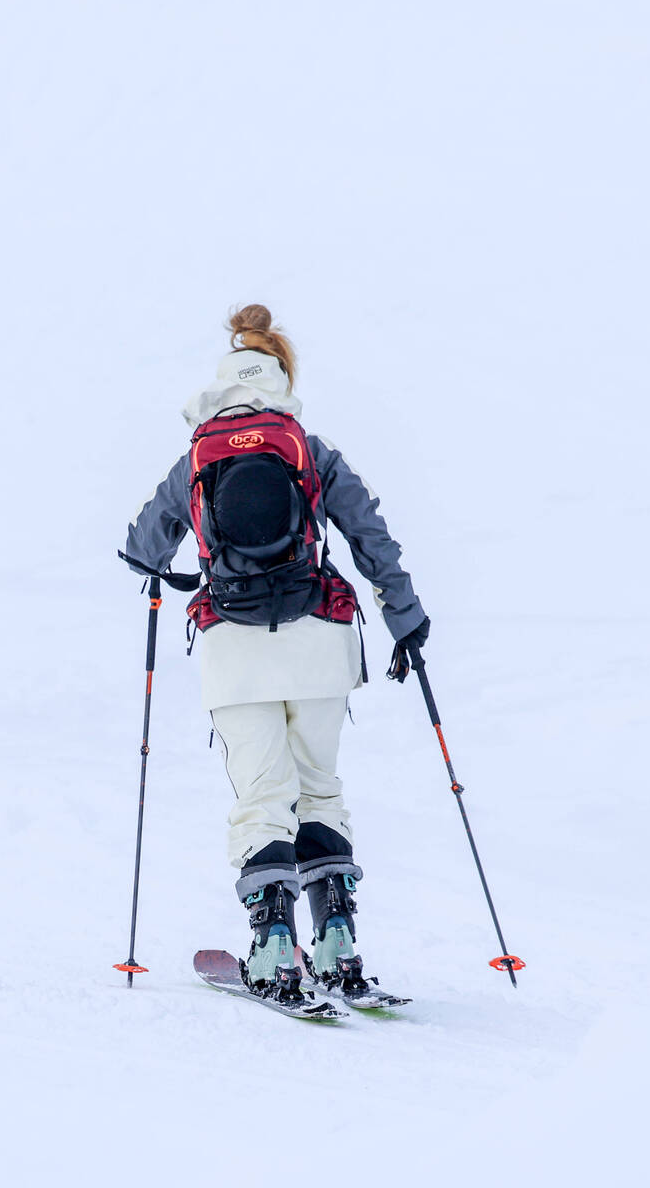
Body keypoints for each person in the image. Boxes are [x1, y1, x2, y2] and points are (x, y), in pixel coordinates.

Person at [123, 304, 429, 1005]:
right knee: (318, 786)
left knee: (263, 794)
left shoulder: (197, 455)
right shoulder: (308, 449)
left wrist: (170, 559)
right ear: (282, 377)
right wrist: (406, 620)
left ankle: (273, 951)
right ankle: (338, 942)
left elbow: (143, 548)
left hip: (236, 652)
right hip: (320, 640)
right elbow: (371, 538)